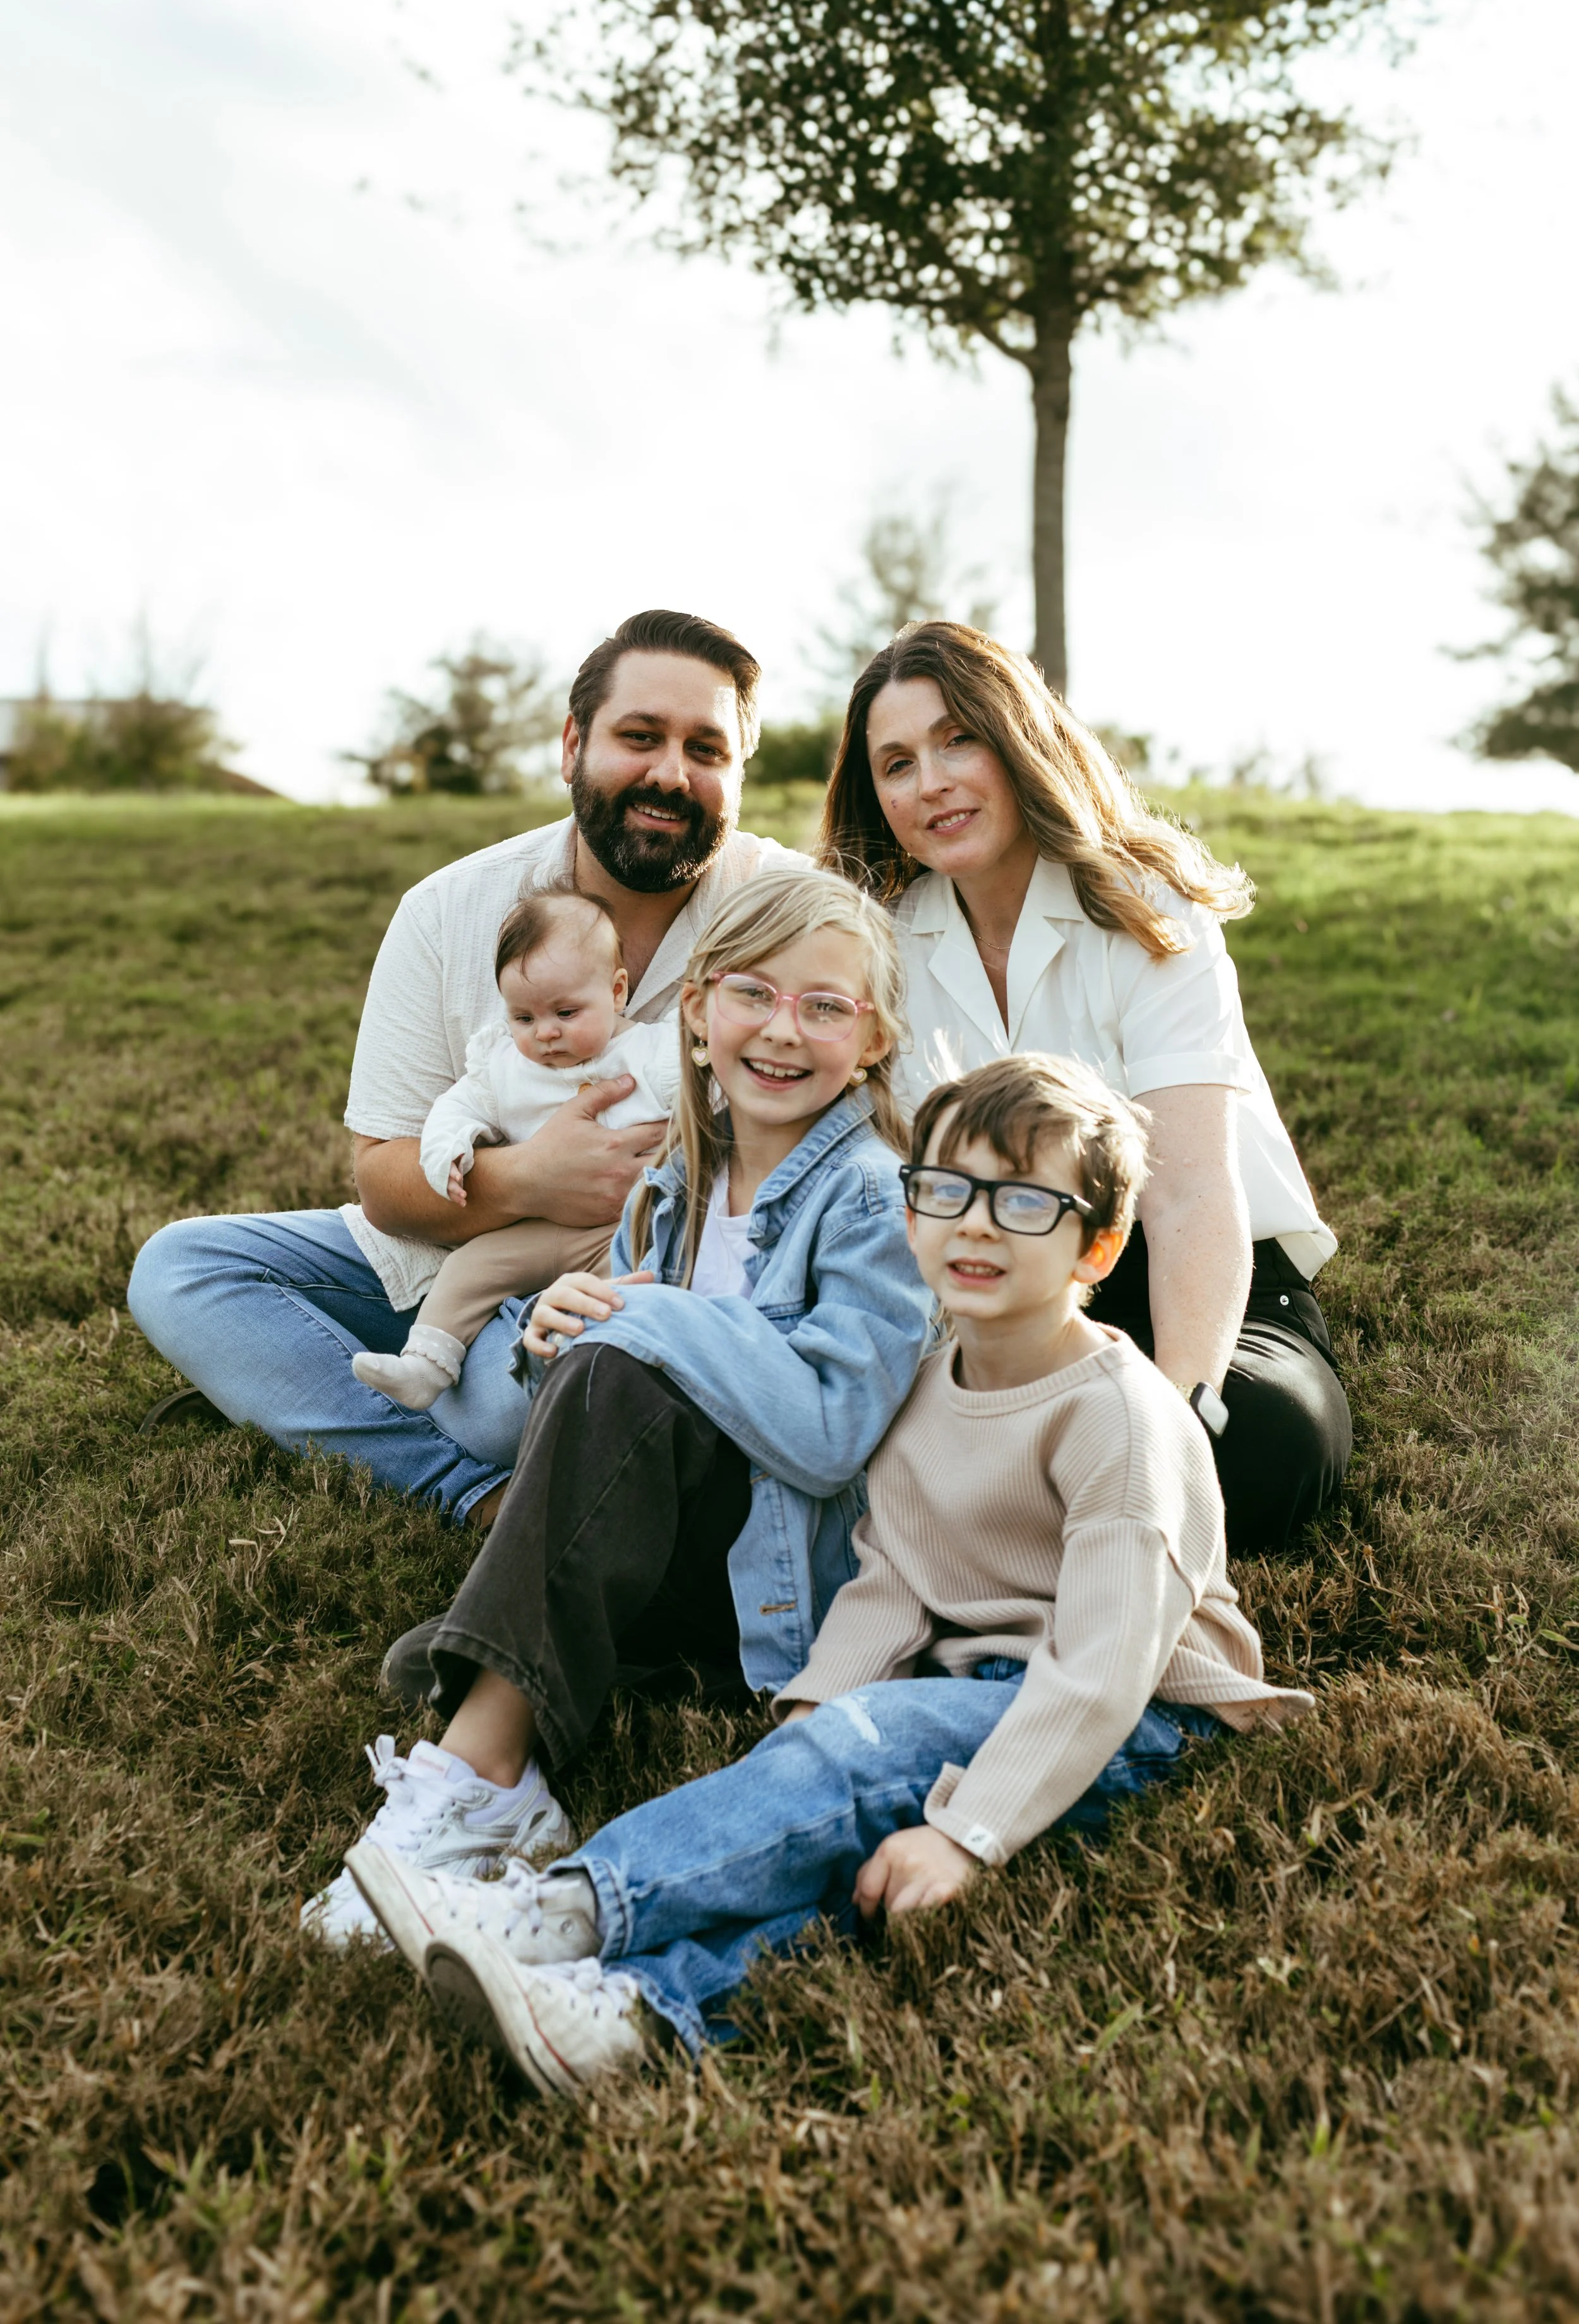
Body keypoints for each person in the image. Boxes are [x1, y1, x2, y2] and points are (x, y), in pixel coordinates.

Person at [336, 1052, 1314, 2098]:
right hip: (978, 1692)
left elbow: (1107, 1666)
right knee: (842, 1845)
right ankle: (629, 2014)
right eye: (946, 1191)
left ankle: (561, 1911)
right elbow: (890, 1586)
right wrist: (808, 1714)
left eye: (1026, 1203)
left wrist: (968, 1835)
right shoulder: (931, 1385)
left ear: (1099, 1245)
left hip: (1140, 1720)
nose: (975, 1226)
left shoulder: (1118, 1416)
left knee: (865, 1759)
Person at [301, 866, 934, 1946]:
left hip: (788, 1584)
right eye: (752, 994)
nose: (784, 1031)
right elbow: (611, 1417)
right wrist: (555, 1335)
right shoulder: (674, 1179)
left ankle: (489, 1773)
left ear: (873, 1039)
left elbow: (831, 1434)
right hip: (686, 1547)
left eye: (826, 1006)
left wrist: (642, 1329)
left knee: (620, 1364)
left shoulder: (874, 1194)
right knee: (595, 1369)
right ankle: (516, 1692)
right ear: (695, 1014)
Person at [127, 609, 805, 1527]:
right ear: (573, 744)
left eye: (707, 748)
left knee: (501, 1406)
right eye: (639, 737)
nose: (670, 774)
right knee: (181, 1270)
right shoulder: (451, 909)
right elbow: (382, 1178)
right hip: (447, 1254)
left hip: (646, 1282)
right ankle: (472, 1495)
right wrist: (532, 1177)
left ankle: (331, 1396)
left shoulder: (793, 916)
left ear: (739, 771)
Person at [819, 622, 1351, 1555]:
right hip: (1016, 1287)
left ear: (1018, 740)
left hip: (1204, 1276)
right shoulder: (884, 939)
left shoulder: (1144, 905)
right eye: (896, 764)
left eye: (958, 739)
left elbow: (1189, 1193)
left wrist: (1180, 1416)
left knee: (1266, 1443)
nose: (930, 781)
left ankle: (1058, 1497)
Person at [351, 884, 678, 1411]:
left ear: (617, 992)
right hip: (534, 1227)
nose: (545, 1033)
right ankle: (427, 1364)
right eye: (523, 1018)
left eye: (566, 1013)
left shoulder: (651, 1054)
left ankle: (578, 1373)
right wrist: (450, 1156)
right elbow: (455, 1111)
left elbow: (708, 1090)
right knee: (470, 1269)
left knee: (622, 1292)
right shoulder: (504, 1068)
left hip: (623, 1233)